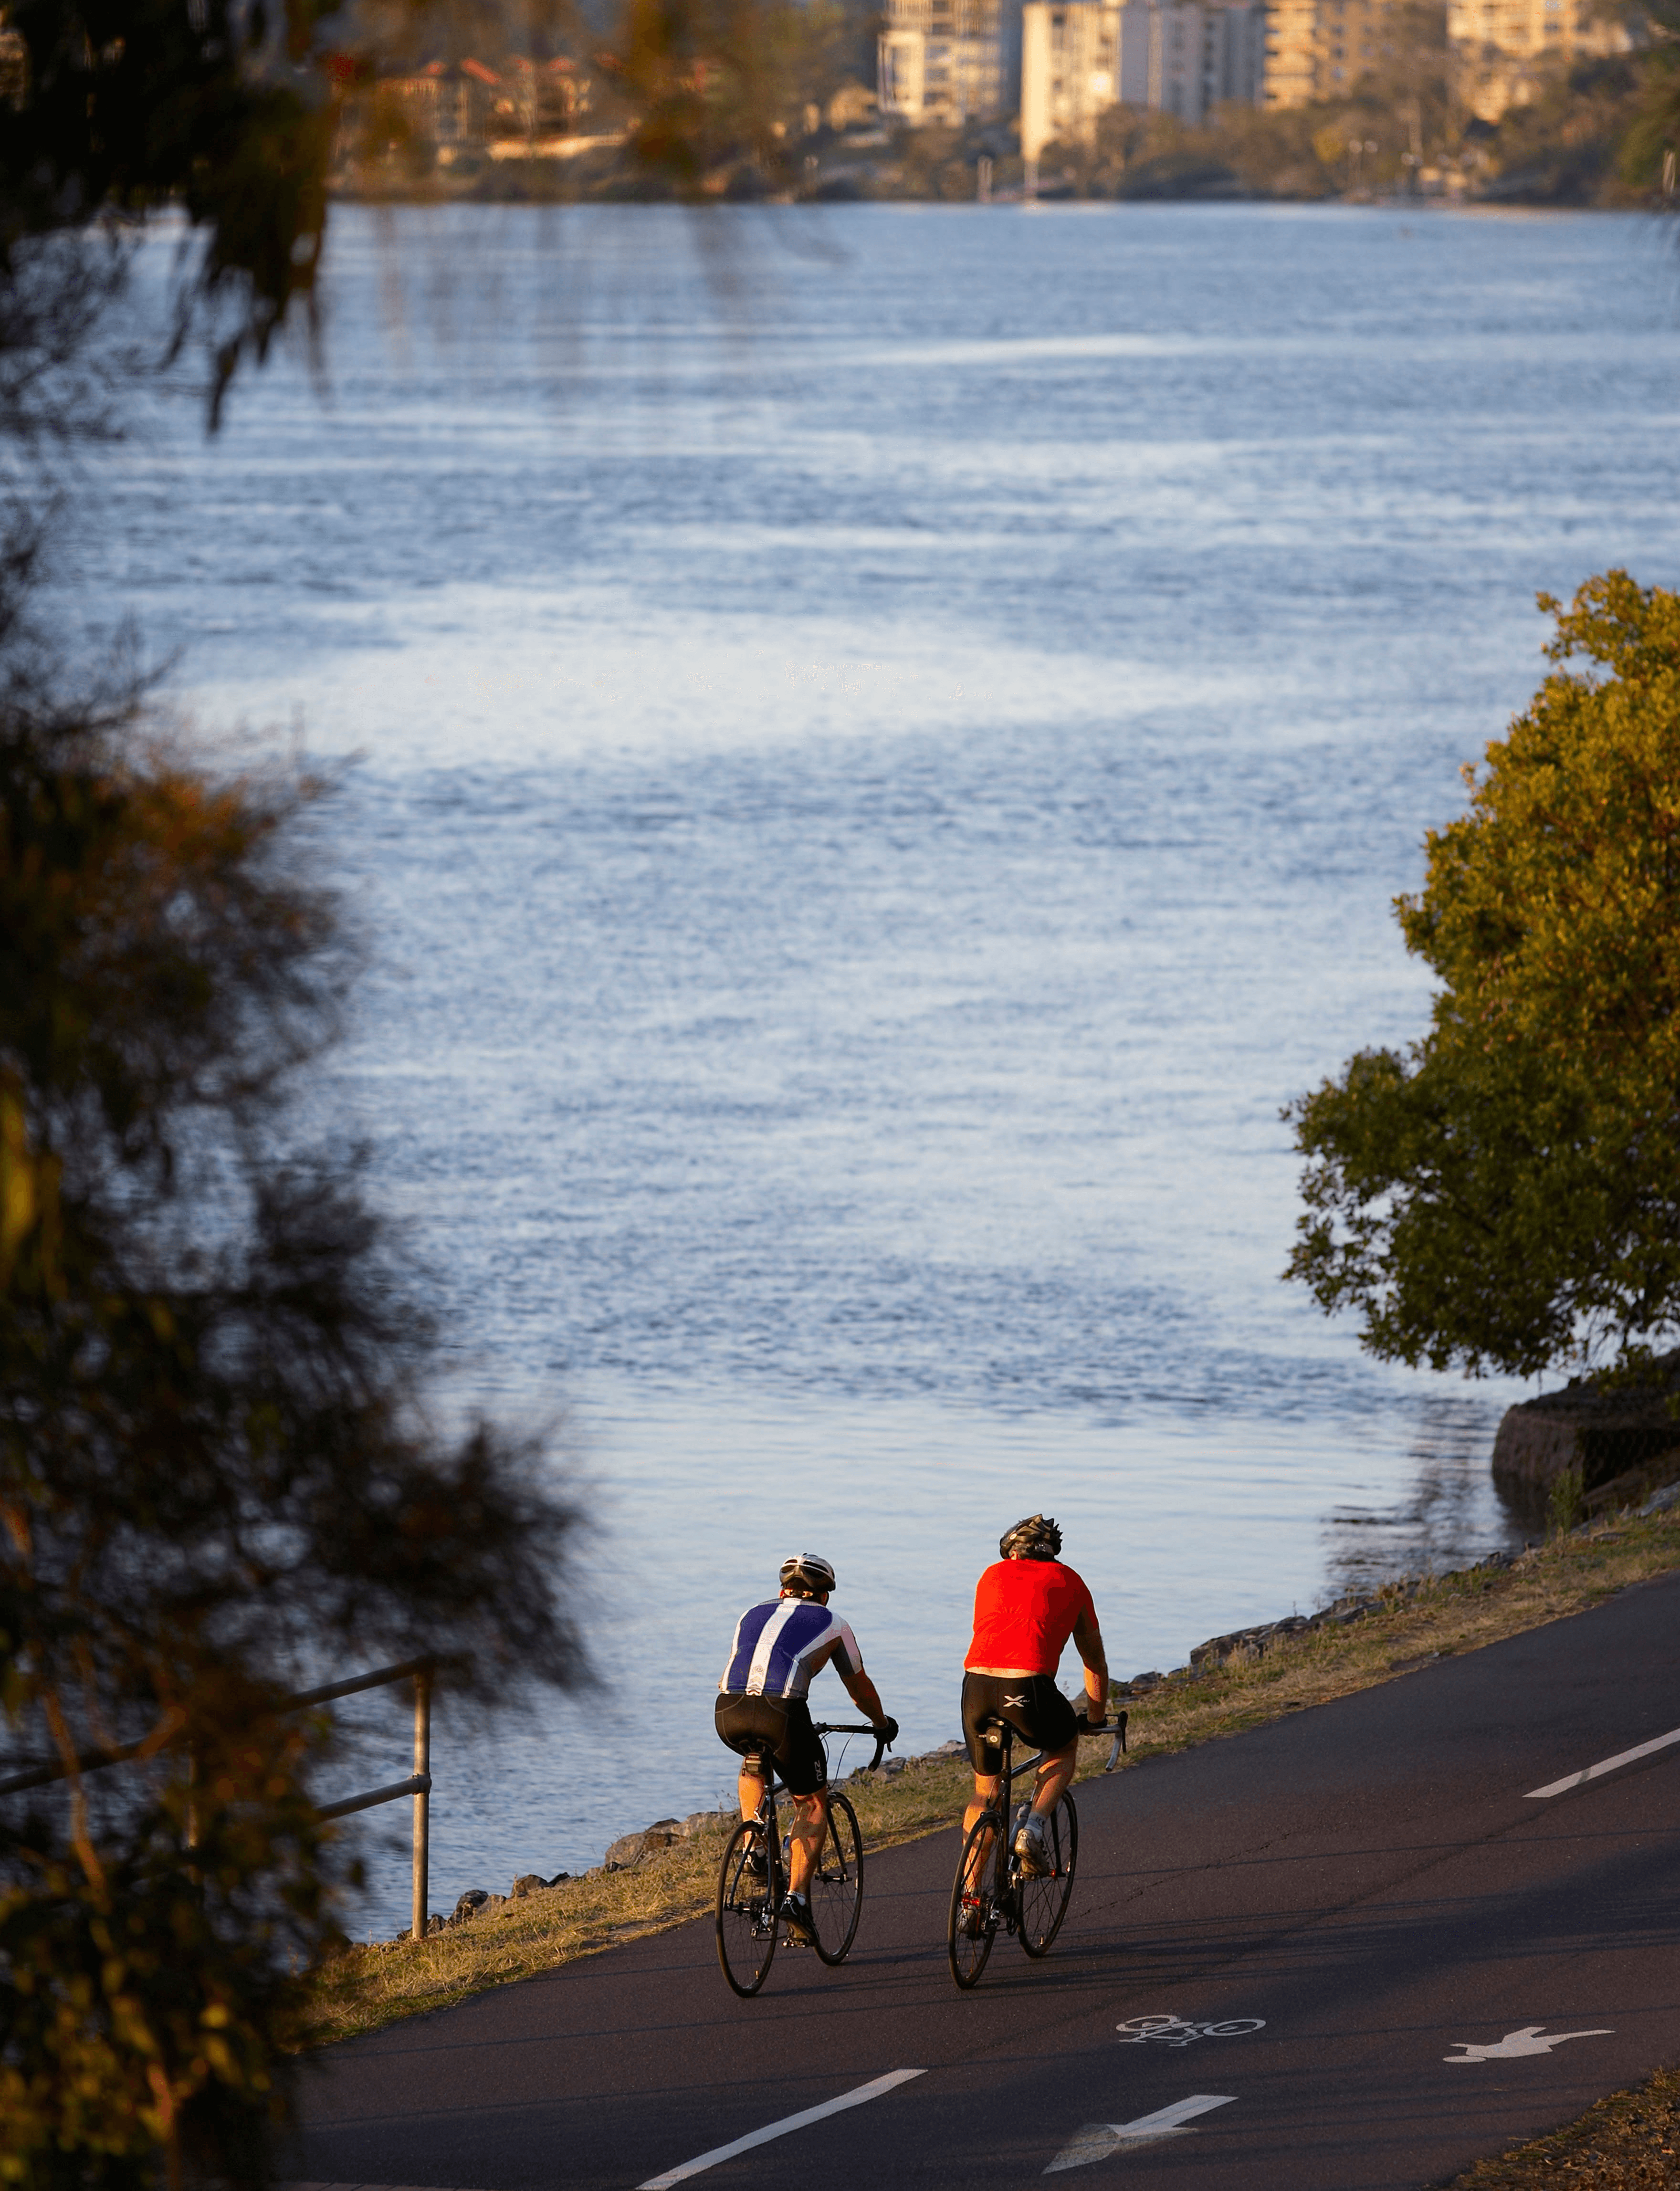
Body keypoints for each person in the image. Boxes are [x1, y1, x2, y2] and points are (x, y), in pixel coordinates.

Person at [716, 1554, 897, 1944]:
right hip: (781, 1712)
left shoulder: (750, 1613)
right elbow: (859, 1687)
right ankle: (797, 1899)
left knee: (754, 1763)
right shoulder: (834, 1623)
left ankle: (755, 1848)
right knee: (813, 1802)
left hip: (728, 1709)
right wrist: (881, 1724)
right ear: (824, 1595)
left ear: (783, 1589)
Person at [960, 1514, 1108, 1911]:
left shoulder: (991, 1574)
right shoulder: (1071, 1581)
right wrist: (1095, 1718)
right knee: (1062, 1746)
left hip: (976, 1685)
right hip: (1027, 1687)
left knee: (985, 1791)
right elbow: (1093, 1661)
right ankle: (1034, 1827)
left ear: (1012, 1550)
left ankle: (970, 1900)